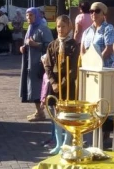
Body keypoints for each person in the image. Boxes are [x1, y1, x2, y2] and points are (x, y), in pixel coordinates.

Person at [44, 15, 78, 154]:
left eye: (63, 26)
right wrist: (53, 82)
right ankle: (58, 143)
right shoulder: (52, 45)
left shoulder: (73, 45)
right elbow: (47, 65)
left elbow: (73, 69)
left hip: (67, 86)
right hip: (55, 86)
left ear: (69, 27)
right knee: (57, 115)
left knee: (67, 115)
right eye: (58, 26)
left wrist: (62, 84)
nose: (60, 29)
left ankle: (66, 142)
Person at [19, 7, 53, 122]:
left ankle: (41, 112)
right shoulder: (30, 28)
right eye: (27, 15)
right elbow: (27, 43)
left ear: (37, 16)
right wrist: (24, 47)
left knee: (38, 88)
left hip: (39, 64)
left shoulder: (43, 29)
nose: (28, 18)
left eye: (31, 15)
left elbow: (50, 46)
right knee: (32, 87)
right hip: (29, 63)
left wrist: (35, 44)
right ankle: (39, 111)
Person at [80, 2, 114, 68]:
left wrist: (96, 62)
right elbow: (82, 51)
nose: (94, 13)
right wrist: (86, 63)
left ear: (103, 14)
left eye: (97, 11)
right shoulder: (86, 32)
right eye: (91, 11)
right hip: (89, 68)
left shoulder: (109, 29)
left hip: (105, 69)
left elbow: (109, 49)